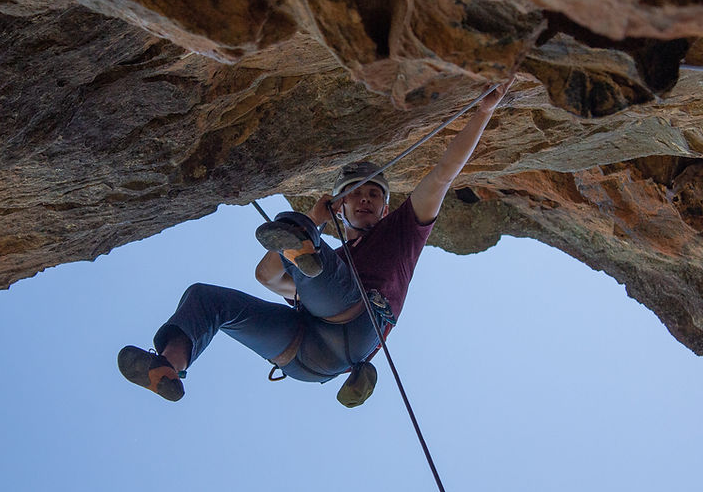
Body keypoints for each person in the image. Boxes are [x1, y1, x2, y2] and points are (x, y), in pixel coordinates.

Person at [117, 79, 512, 402]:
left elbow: (443, 174)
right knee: (205, 298)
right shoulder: (330, 251)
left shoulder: (405, 230)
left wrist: (484, 111)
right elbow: (267, 277)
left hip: (355, 324)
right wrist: (316, 221)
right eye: (356, 193)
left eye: (374, 194)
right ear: (342, 206)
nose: (365, 199)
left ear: (386, 208)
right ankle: (169, 365)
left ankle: (298, 237)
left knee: (299, 237)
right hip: (307, 355)